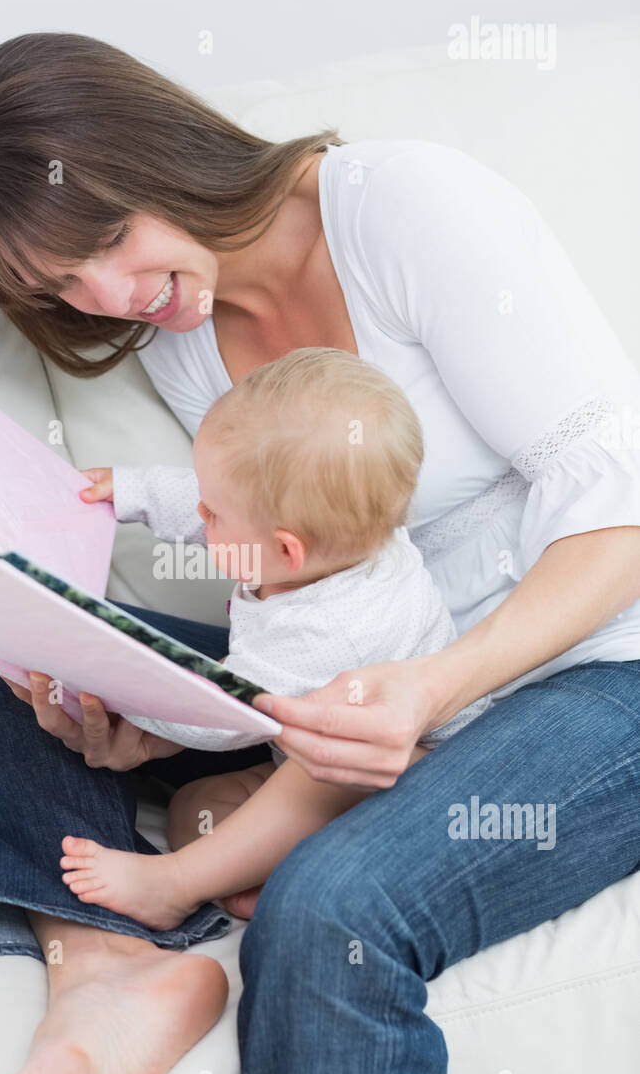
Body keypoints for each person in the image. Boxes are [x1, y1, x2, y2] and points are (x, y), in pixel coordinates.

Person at [0, 30, 640, 1074]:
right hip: (365, 637)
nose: (110, 300)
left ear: (161, 153)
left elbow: (623, 512)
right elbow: (273, 569)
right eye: (62, 288)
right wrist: (153, 703)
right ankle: (109, 969)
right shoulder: (184, 331)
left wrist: (433, 687)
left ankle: (244, 854)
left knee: (330, 915)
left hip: (588, 664)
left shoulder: (405, 209)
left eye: (105, 242)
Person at [60, 346, 488, 928]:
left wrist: (102, 676)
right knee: (197, 811)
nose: (199, 515)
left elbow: (211, 714)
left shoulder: (325, 629)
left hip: (421, 781)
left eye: (213, 515)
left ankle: (177, 884)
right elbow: (212, 499)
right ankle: (279, 881)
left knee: (329, 765)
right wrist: (129, 490)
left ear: (286, 549)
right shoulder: (329, 542)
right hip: (301, 766)